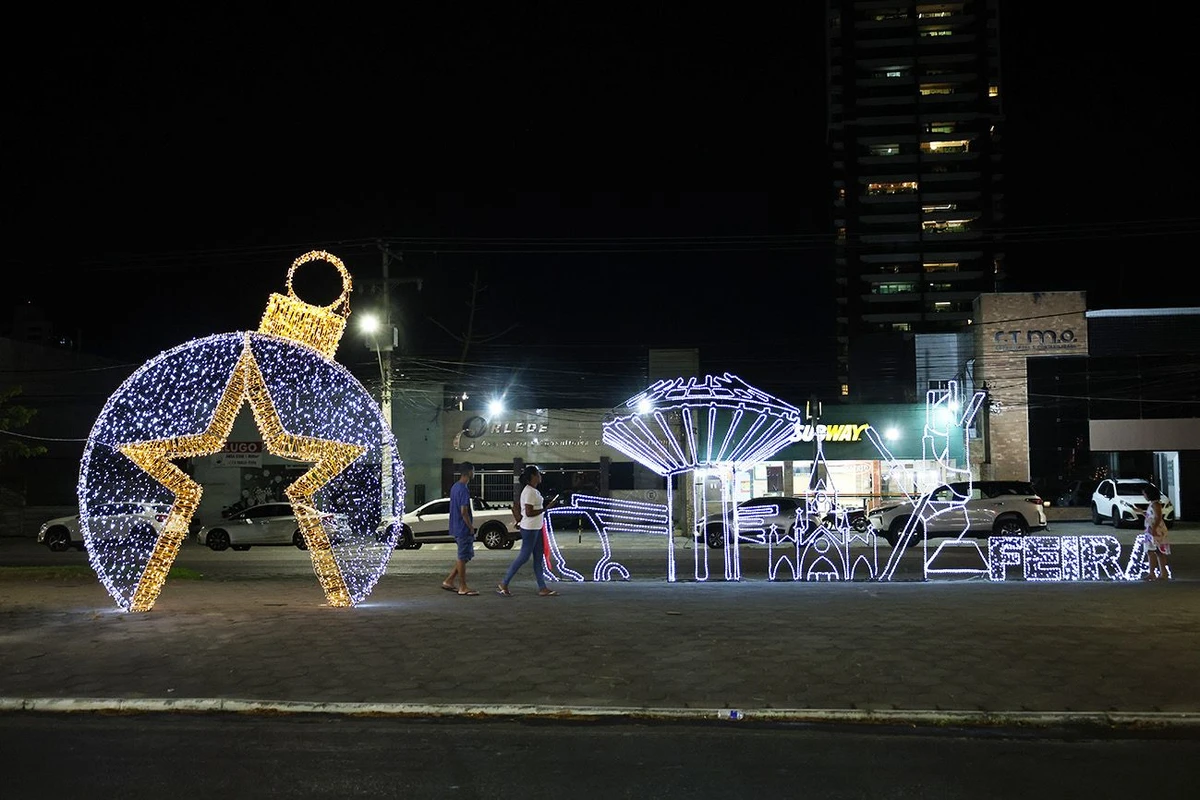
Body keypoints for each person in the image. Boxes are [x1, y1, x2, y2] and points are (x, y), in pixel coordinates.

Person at [497, 464, 560, 597]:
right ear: (533, 476)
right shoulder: (530, 492)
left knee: (538, 558)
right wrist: (546, 508)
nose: (540, 476)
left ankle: (542, 587)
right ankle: (504, 583)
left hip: (535, 527)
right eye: (538, 474)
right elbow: (529, 512)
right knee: (524, 556)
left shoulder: (532, 491)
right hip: (530, 528)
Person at [442, 462, 479, 595]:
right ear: (468, 472)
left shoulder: (455, 487)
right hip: (462, 528)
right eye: (473, 471)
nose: (474, 473)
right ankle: (462, 587)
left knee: (465, 557)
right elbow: (464, 511)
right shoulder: (463, 489)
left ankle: (449, 580)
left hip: (456, 526)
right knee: (462, 557)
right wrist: (470, 527)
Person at [1142, 485, 1171, 581]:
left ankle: (1156, 573)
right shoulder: (1153, 504)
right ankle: (1159, 573)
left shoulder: (1155, 504)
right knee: (1155, 551)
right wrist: (1142, 512)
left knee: (1154, 551)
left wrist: (1154, 528)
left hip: (1155, 529)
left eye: (1144, 494)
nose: (1144, 496)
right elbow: (1151, 515)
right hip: (1152, 529)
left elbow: (1158, 517)